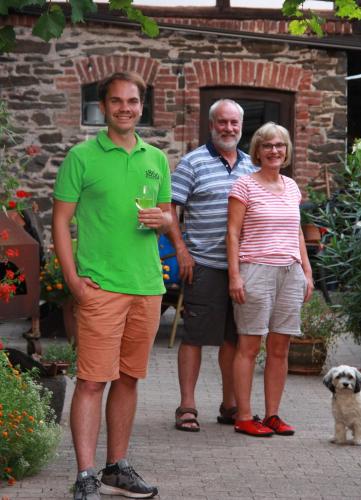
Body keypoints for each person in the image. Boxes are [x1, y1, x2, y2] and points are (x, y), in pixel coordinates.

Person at [52, 71, 172, 500]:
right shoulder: (82, 157)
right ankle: (85, 474)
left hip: (146, 286)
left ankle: (116, 468)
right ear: (103, 108)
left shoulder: (155, 158)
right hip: (100, 287)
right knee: (90, 381)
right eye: (117, 101)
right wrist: (73, 280)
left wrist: (166, 220)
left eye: (133, 101)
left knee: (128, 379)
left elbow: (167, 215)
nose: (126, 108)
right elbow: (61, 222)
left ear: (142, 107)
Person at [168, 99, 257, 432]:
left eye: (234, 123)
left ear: (241, 126)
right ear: (211, 125)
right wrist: (181, 250)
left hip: (244, 268)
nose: (229, 128)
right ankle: (187, 405)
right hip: (202, 264)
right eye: (222, 122)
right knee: (195, 336)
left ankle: (229, 405)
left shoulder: (252, 165)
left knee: (234, 339)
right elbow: (170, 211)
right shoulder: (192, 163)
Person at [227, 121, 314, 437]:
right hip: (256, 270)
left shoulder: (291, 187)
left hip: (290, 273)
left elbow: (297, 233)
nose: (274, 150)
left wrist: (306, 271)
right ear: (258, 151)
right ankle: (245, 416)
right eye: (267, 145)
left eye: (279, 145)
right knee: (249, 346)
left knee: (280, 348)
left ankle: (273, 415)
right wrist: (235, 275)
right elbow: (233, 234)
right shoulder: (244, 186)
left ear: (287, 150)